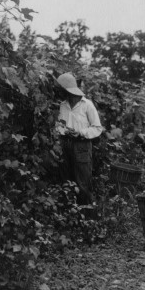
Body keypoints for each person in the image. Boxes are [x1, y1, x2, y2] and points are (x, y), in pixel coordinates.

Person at [55, 73, 103, 205]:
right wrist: (64, 130)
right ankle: (71, 212)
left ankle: (86, 214)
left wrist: (81, 133)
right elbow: (59, 125)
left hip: (82, 146)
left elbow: (97, 128)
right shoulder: (63, 105)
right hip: (65, 144)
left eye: (62, 90)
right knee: (67, 179)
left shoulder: (87, 105)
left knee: (83, 182)